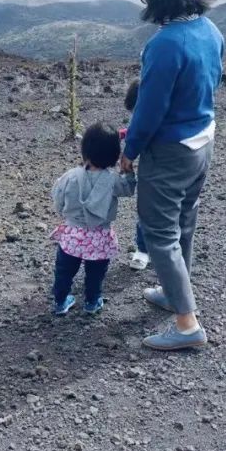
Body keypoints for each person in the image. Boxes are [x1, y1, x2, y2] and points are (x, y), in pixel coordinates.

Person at [120, 0, 224, 351]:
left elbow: (149, 107)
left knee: (159, 230)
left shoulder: (165, 44)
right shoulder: (211, 31)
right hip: (203, 142)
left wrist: (130, 149)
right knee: (184, 223)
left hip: (171, 150)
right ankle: (174, 292)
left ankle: (186, 325)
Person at [50, 122, 137, 316]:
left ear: (85, 150)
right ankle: (91, 301)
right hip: (100, 236)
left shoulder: (70, 176)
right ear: (114, 155)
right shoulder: (113, 180)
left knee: (64, 271)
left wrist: (65, 213)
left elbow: (57, 196)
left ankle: (60, 301)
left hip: (72, 234)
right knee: (95, 274)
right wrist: (129, 173)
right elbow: (129, 190)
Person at [119, 79, 150, 271]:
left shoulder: (152, 115)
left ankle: (144, 250)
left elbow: (141, 132)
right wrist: (124, 133)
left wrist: (128, 154)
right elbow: (137, 130)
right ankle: (147, 249)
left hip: (156, 168)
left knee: (146, 208)